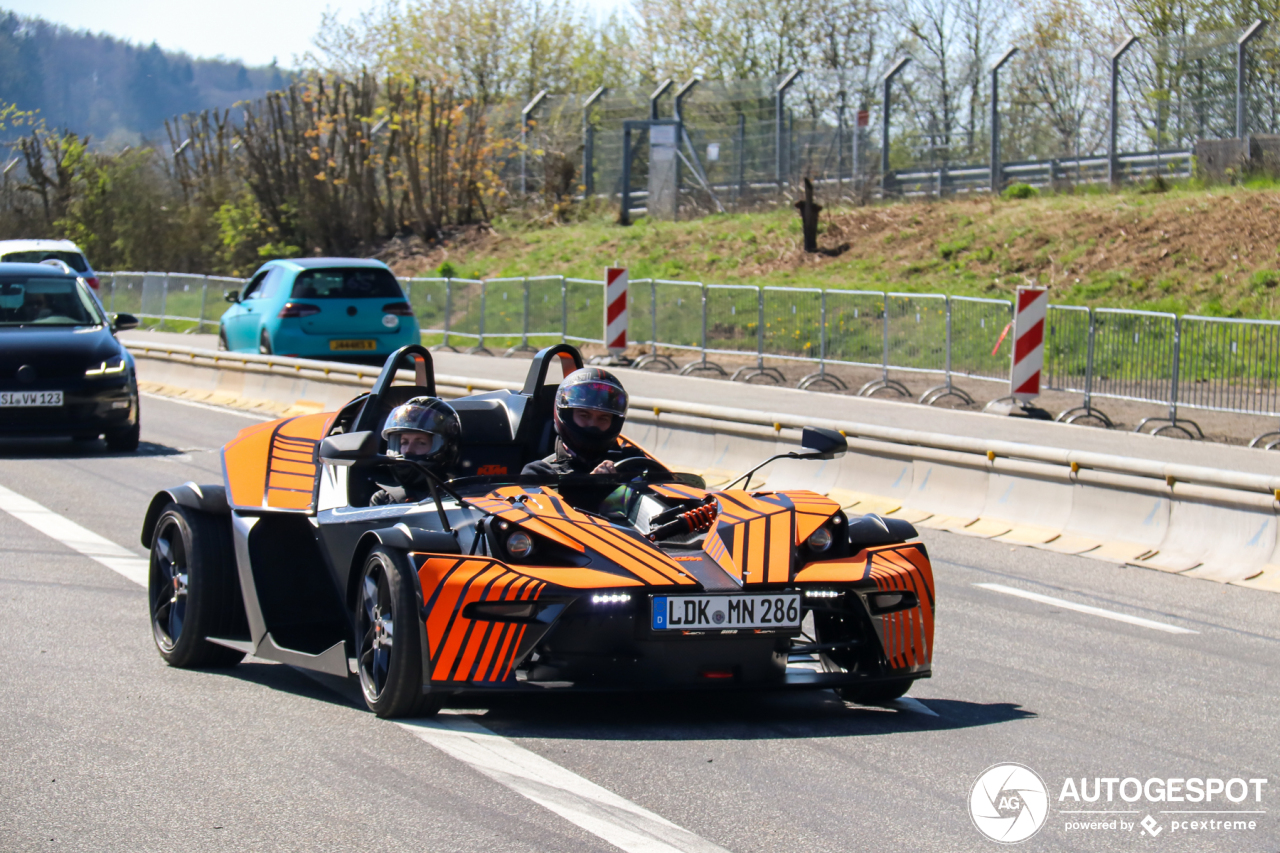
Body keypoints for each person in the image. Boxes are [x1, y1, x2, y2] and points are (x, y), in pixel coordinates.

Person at [521, 367, 648, 479]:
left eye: (603, 418)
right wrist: (593, 486)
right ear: (567, 415)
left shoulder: (634, 462)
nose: (593, 424)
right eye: (584, 415)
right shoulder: (539, 472)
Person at [369, 396, 461, 506]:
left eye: (420, 443)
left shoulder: (462, 498)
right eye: (404, 442)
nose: (408, 450)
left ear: (446, 447)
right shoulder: (384, 500)